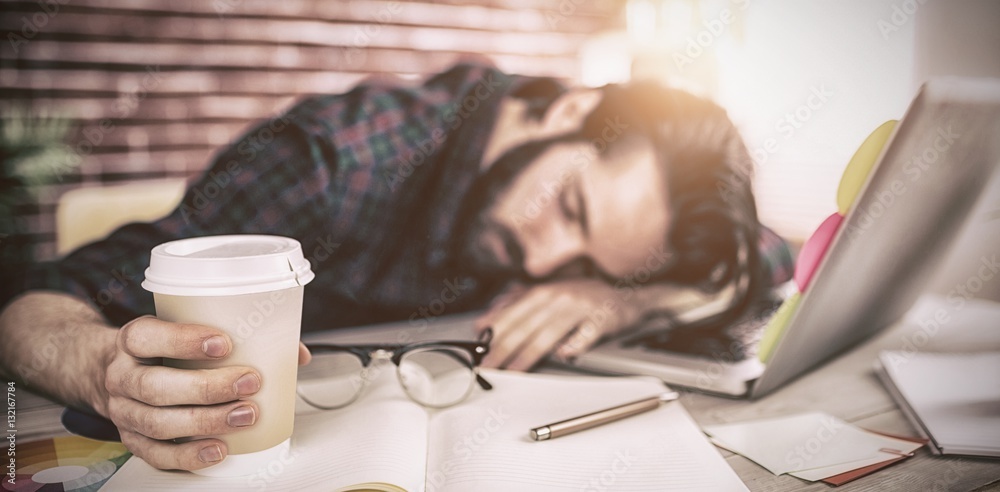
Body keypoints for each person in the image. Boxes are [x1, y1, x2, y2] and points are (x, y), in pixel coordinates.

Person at [0, 61, 792, 471]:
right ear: (567, 110)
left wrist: (620, 298)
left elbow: (766, 252)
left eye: (587, 261)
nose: (547, 261)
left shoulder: (610, 220)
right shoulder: (332, 163)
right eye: (570, 208)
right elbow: (40, 302)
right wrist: (106, 366)